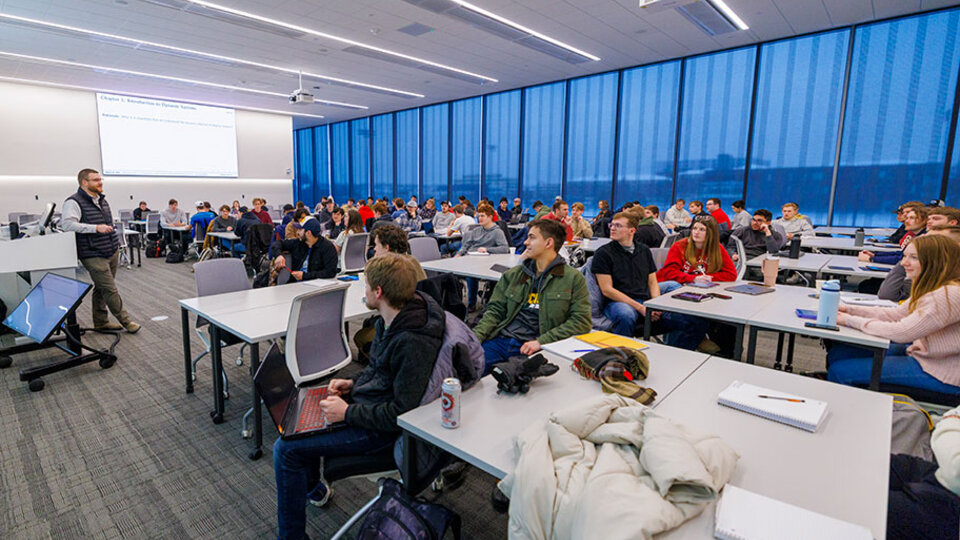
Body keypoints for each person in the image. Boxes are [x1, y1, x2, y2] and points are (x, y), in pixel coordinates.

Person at [273, 253, 444, 538]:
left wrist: (347, 413)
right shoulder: (391, 320)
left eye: (365, 286)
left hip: (381, 430)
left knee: (285, 448)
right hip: (368, 404)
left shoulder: (412, 341)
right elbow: (380, 372)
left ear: (379, 292)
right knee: (304, 416)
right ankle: (314, 489)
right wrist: (351, 384)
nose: (363, 291)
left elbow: (401, 412)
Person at [828, 235, 960, 396]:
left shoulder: (947, 294)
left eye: (914, 258)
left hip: (940, 372)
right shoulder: (934, 287)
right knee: (838, 354)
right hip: (925, 356)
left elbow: (902, 332)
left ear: (935, 262)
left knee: (840, 371)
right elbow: (896, 314)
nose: (904, 263)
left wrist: (848, 320)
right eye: (905, 256)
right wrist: (849, 310)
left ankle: (850, 408)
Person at [472, 219, 592, 373]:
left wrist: (541, 341)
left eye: (532, 237)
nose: (525, 242)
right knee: (465, 373)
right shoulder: (513, 275)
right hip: (501, 340)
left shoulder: (573, 279)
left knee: (514, 382)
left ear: (548, 243)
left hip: (536, 348)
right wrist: (474, 338)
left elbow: (581, 321)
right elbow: (494, 311)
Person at [592, 212, 707, 349]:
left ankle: (673, 350)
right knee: (626, 315)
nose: (612, 228)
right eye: (611, 225)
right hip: (618, 301)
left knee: (692, 320)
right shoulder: (603, 253)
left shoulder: (644, 250)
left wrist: (656, 305)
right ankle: (621, 354)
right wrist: (641, 308)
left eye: (618, 226)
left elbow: (652, 282)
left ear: (632, 231)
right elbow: (607, 290)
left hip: (643, 297)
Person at [60, 169, 139, 333]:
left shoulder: (102, 200)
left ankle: (100, 321)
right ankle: (126, 322)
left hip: (110, 249)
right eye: (95, 180)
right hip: (92, 253)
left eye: (100, 179)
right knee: (110, 289)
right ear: (84, 182)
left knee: (101, 287)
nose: (100, 182)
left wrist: (115, 244)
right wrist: (95, 228)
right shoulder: (73, 202)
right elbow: (67, 225)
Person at [879, 225, 960, 302]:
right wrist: (909, 256)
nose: (924, 244)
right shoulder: (926, 274)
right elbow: (888, 295)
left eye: (934, 241)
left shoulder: (950, 291)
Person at [457, 204, 510, 309]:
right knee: (450, 275)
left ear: (490, 217)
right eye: (479, 216)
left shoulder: (497, 232)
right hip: (470, 259)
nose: (479, 218)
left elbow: (505, 248)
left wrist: (487, 249)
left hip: (486, 263)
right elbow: (466, 245)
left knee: (471, 275)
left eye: (482, 216)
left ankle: (471, 304)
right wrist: (458, 254)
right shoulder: (476, 231)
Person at [657, 216, 736, 285]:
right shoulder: (679, 246)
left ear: (711, 233)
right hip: (670, 286)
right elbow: (669, 273)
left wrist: (707, 278)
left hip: (695, 287)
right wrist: (693, 279)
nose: (696, 232)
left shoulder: (717, 248)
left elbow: (731, 274)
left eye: (702, 229)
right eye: (694, 228)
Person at [272, 219, 338, 282]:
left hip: (315, 284)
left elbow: (330, 272)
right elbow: (277, 243)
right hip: (294, 283)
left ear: (308, 233)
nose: (297, 232)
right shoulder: (298, 243)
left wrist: (305, 276)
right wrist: (278, 255)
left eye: (300, 230)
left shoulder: (327, 247)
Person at [860, 206, 927, 265]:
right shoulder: (917, 235)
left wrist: (872, 259)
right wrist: (875, 254)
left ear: (924, 220)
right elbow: (901, 254)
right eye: (907, 218)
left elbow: (901, 259)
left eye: (912, 218)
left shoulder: (924, 239)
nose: (906, 221)